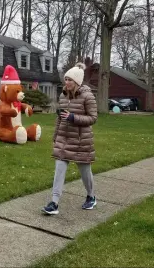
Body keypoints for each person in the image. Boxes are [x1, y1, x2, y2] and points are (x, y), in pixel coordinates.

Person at [42, 63, 98, 215]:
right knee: (59, 171)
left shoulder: (87, 96)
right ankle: (54, 203)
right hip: (64, 139)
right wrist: (55, 136)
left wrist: (73, 117)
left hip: (81, 141)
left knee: (85, 172)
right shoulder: (63, 96)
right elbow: (60, 118)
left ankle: (91, 196)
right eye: (65, 79)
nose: (66, 83)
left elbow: (93, 118)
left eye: (70, 80)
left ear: (77, 82)